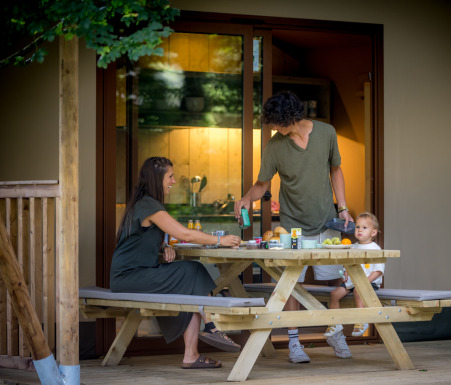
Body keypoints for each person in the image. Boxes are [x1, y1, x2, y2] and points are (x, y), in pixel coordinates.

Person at [234, 91, 354, 363]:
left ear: (292, 118)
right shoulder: (275, 146)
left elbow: (336, 169)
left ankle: (335, 331)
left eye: (278, 123)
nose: (274, 128)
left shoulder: (327, 133)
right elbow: (262, 184)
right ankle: (293, 342)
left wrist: (343, 206)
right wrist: (245, 198)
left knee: (334, 280)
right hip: (293, 226)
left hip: (326, 220)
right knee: (290, 283)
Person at [110, 156, 242, 369]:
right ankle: (210, 327)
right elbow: (184, 234)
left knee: (190, 277)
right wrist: (220, 240)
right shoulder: (149, 205)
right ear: (157, 178)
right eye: (170, 176)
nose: (173, 181)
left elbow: (140, 237)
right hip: (129, 277)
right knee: (192, 272)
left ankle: (195, 350)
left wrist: (163, 247)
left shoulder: (145, 203)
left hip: (135, 274)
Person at [324, 212, 384, 342]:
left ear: (373, 233)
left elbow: (378, 271)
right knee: (334, 294)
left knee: (358, 291)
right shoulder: (353, 247)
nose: (359, 230)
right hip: (351, 282)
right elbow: (348, 265)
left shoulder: (375, 249)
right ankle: (335, 322)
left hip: (369, 282)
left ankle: (361, 321)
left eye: (364, 227)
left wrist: (363, 282)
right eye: (357, 227)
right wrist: (345, 274)